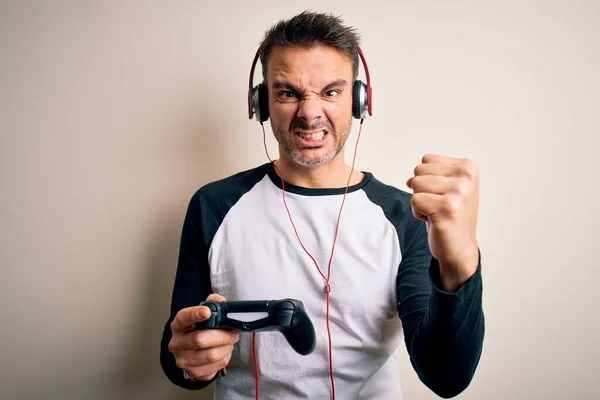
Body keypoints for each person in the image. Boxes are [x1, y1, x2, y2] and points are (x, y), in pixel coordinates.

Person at [160, 10, 485, 400]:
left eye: (331, 92)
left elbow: (445, 377)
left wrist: (460, 262)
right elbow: (179, 358)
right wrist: (191, 363)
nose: (310, 112)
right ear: (261, 103)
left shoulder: (406, 217)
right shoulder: (213, 204)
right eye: (288, 92)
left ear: (358, 100)